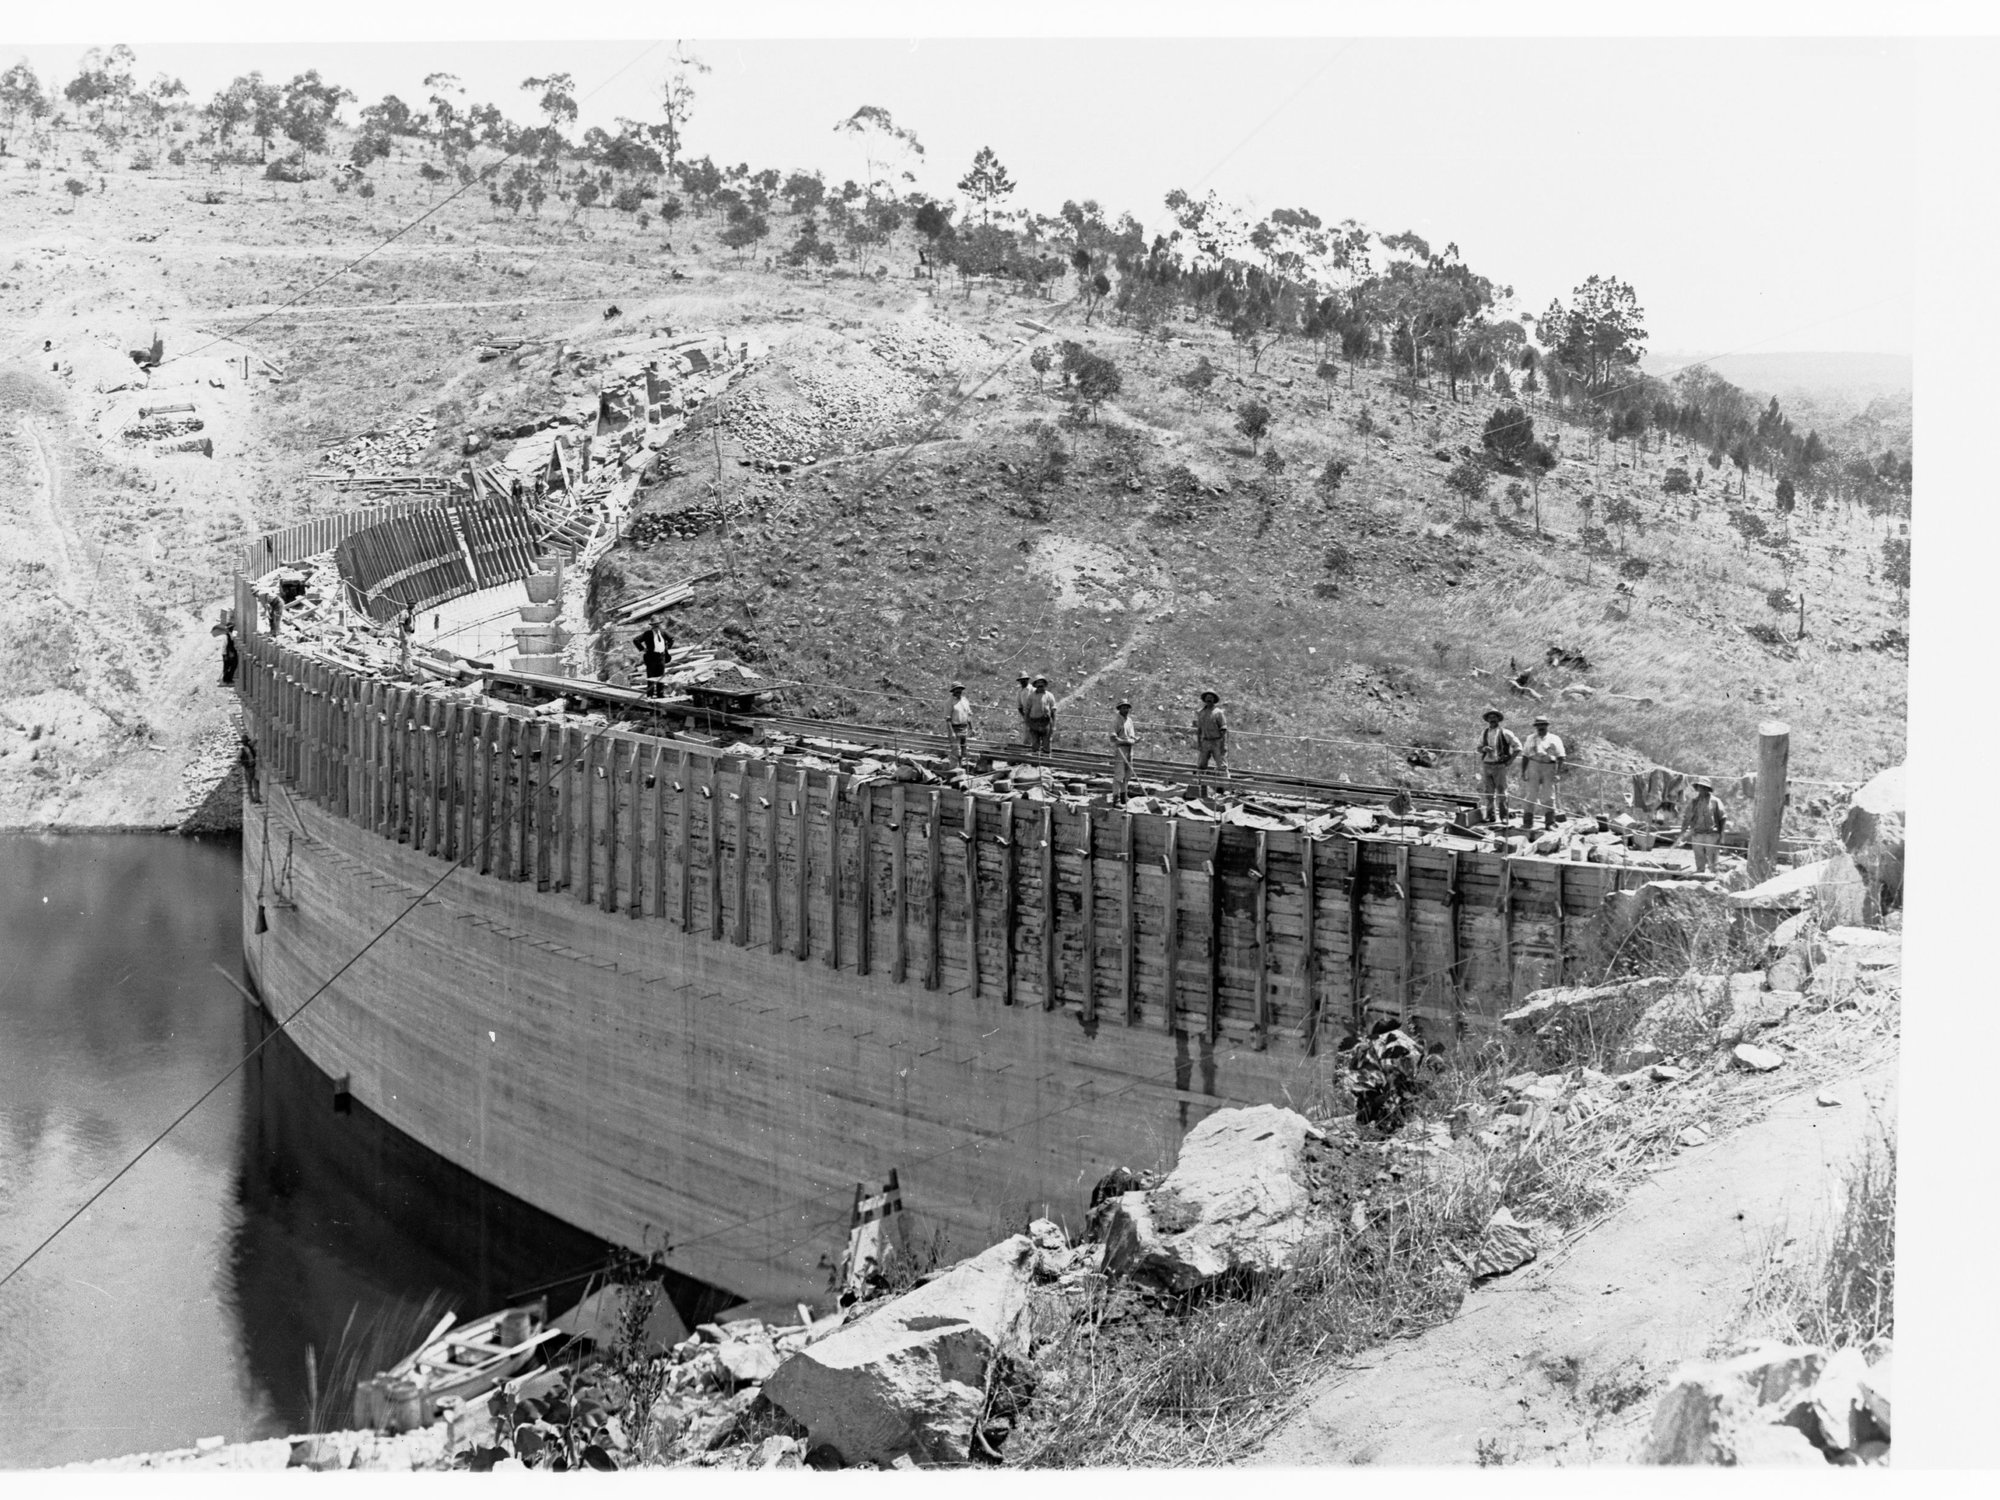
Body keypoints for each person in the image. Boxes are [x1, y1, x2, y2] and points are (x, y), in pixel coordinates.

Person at [1519, 713, 1566, 830]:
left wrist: (1558, 773)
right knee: (1531, 795)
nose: (1540, 727)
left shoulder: (1555, 739)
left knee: (1548, 796)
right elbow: (1525, 755)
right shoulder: (1530, 738)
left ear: (1547, 725)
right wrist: (1523, 771)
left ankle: (1550, 822)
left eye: (1543, 725)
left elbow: (1561, 756)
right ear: (1535, 726)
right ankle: (1527, 822)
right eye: (1538, 725)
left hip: (1548, 767)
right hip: (1533, 766)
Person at [1475, 707, 1521, 824]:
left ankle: (1504, 816)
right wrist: (1484, 748)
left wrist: (1510, 761)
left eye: (1494, 717)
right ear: (1487, 720)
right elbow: (1478, 748)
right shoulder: (1484, 733)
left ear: (1498, 719)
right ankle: (1490, 815)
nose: (1492, 720)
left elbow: (1518, 747)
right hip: (1487, 765)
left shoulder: (1506, 733)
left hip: (1499, 766)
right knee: (1488, 792)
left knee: (1502, 792)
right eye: (1490, 717)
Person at [1681, 777, 1729, 873]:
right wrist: (1682, 832)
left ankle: (1714, 876)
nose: (1701, 789)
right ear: (1697, 788)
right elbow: (1687, 817)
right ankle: (1700, 875)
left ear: (1707, 789)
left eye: (1704, 787)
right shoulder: (1694, 802)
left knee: (1713, 859)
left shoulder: (1715, 801)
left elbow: (1723, 817)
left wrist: (1721, 835)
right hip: (1697, 834)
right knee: (1699, 857)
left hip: (1711, 835)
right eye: (1700, 787)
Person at [1194, 689, 1229, 789]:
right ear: (1204, 699)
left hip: (1217, 741)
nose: (1209, 699)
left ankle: (1226, 786)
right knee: (1201, 764)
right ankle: (1199, 785)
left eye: (1211, 698)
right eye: (1207, 698)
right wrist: (1199, 743)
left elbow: (1223, 729)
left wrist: (1223, 745)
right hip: (1205, 741)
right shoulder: (1201, 712)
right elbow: (1199, 729)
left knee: (1221, 765)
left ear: (1214, 700)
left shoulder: (1218, 713)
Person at [633, 616, 673, 698]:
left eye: (657, 625)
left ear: (659, 625)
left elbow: (671, 639)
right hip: (651, 658)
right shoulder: (647, 634)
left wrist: (667, 647)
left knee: (660, 677)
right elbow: (636, 640)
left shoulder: (663, 632)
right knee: (651, 677)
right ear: (652, 626)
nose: (656, 627)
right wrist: (642, 649)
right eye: (654, 625)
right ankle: (650, 695)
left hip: (661, 657)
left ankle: (660, 694)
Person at [1110, 699, 1138, 800]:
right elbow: (1113, 737)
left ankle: (1123, 796)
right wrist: (1124, 741)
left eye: (1127, 708)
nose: (1126, 710)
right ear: (1119, 709)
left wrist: (1134, 740)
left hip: (1129, 750)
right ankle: (1116, 798)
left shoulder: (1129, 720)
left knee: (1127, 774)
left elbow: (1132, 736)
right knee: (1119, 774)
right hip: (1120, 750)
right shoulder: (1116, 720)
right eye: (1123, 708)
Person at [1024, 675, 1057, 755]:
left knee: (1046, 743)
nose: (1040, 686)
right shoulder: (1031, 696)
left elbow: (1053, 711)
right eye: (1038, 684)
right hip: (1034, 722)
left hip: (1045, 722)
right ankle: (1035, 760)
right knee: (1035, 744)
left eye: (1042, 684)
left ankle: (1046, 760)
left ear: (1044, 685)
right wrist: (1027, 722)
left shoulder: (1049, 695)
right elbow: (1027, 710)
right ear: (1035, 685)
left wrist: (1053, 725)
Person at [946, 682, 974, 767]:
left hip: (964, 728)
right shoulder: (949, 702)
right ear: (953, 691)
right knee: (956, 751)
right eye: (957, 690)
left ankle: (961, 767)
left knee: (963, 750)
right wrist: (952, 732)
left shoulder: (965, 700)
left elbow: (969, 715)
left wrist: (971, 728)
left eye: (960, 690)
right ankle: (954, 769)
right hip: (955, 728)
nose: (959, 692)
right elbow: (948, 719)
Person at [1014, 672, 1034, 746]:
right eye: (1021, 680)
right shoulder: (1019, 692)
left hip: (1035, 714)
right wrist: (1025, 716)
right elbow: (1019, 706)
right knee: (1027, 736)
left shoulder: (1033, 690)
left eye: (1024, 680)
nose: (1022, 681)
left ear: (1027, 680)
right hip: (1026, 714)